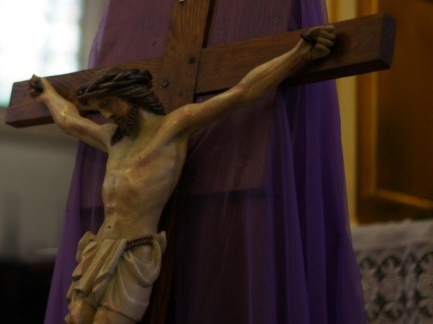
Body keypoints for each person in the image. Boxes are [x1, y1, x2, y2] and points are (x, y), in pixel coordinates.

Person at [29, 25, 336, 324]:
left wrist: (299, 53)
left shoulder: (173, 127)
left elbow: (243, 92)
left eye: (108, 104)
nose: (105, 115)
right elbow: (69, 121)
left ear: (131, 95)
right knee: (76, 319)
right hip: (99, 249)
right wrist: (46, 94)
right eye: (99, 108)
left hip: (135, 252)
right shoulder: (112, 138)